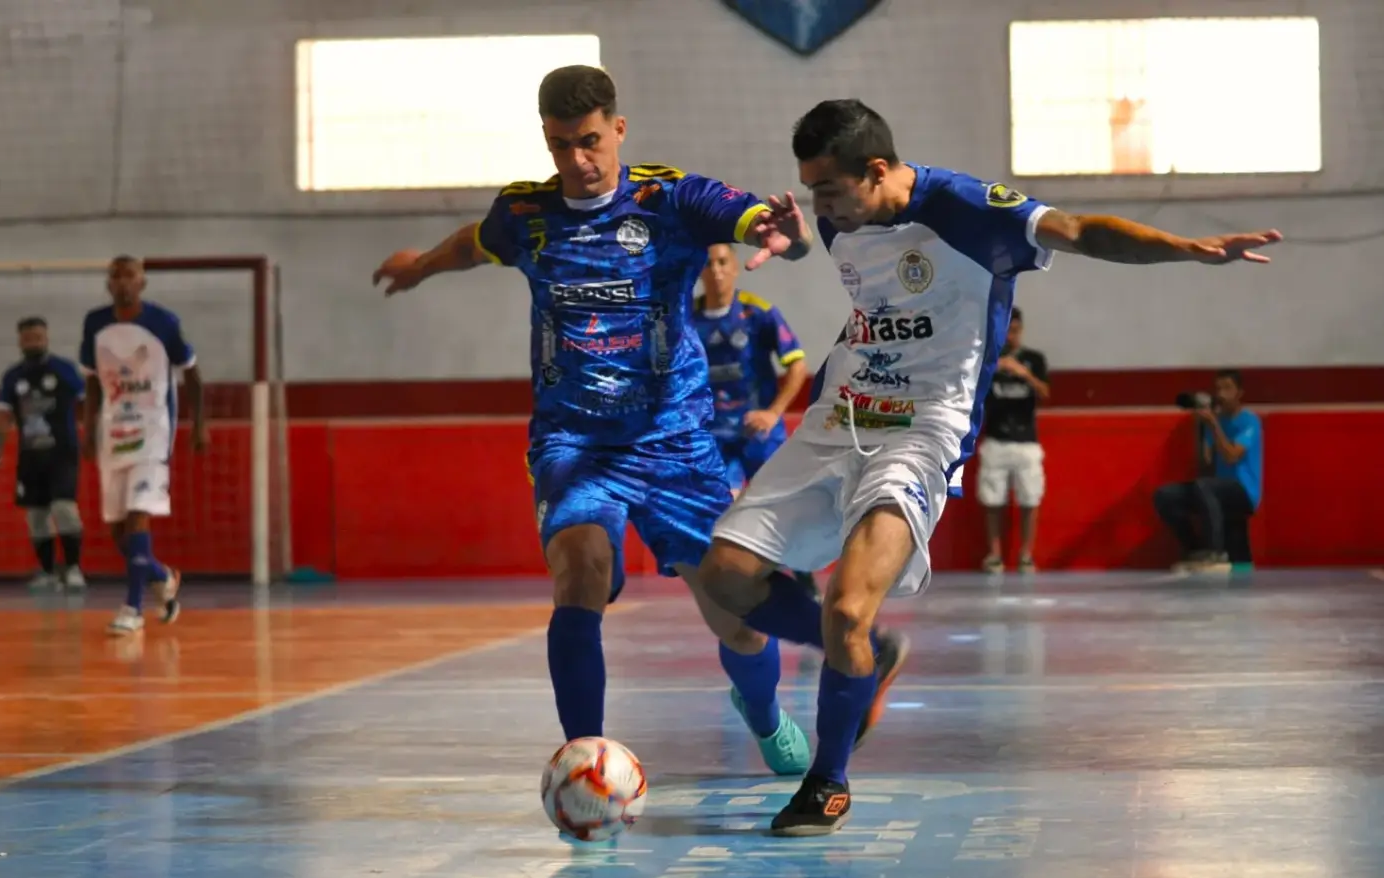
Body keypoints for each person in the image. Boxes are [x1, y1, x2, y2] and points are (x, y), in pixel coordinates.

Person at [699, 99, 1282, 835]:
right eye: (811, 190)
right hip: (837, 416)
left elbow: (1077, 230)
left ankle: (827, 781)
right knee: (723, 577)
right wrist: (793, 243)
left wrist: (1186, 248)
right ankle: (870, 658)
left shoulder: (966, 209)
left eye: (829, 190)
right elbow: (836, 257)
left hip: (920, 430)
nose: (822, 206)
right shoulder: (842, 215)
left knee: (847, 606)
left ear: (877, 172)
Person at [372, 65, 878, 782]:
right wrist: (420, 267)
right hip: (573, 443)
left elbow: (760, 225)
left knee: (735, 611)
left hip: (674, 443)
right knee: (579, 573)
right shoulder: (526, 215)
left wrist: (790, 238)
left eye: (588, 142)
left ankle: (764, 715)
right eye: (558, 146)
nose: (576, 162)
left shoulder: (669, 199)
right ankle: (585, 759)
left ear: (618, 129)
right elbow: (474, 244)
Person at [80, 256, 207, 634]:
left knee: (138, 514)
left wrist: (200, 424)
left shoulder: (163, 322)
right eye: (116, 276)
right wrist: (88, 429)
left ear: (142, 283)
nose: (123, 283)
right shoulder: (95, 323)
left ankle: (132, 609)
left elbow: (193, 376)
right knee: (119, 531)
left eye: (130, 276)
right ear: (108, 284)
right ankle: (160, 575)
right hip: (112, 432)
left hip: (152, 432)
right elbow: (90, 382)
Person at [693, 242, 819, 598]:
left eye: (722, 262)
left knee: (780, 509)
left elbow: (797, 364)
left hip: (759, 435)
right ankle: (753, 584)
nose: (715, 270)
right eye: (708, 264)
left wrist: (773, 412)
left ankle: (805, 580)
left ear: (734, 267)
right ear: (699, 272)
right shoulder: (686, 319)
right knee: (725, 512)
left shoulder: (757, 313)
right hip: (713, 438)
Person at [0, 317, 87, 590]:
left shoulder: (64, 370)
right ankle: (47, 572)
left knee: (64, 508)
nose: (33, 342)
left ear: (46, 338)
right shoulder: (13, 376)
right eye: (28, 338)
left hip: (63, 453)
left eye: (38, 337)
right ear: (20, 341)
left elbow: (86, 403)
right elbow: (2, 414)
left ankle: (73, 569)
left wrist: (92, 436)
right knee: (35, 516)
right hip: (30, 457)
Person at [1153, 369, 1263, 572]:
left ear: (1240, 393)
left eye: (1228, 388)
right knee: (1165, 495)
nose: (1222, 394)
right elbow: (1206, 463)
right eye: (1218, 388)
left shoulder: (1250, 421)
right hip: (1216, 490)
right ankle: (1195, 550)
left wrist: (1214, 425)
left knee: (1205, 486)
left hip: (1244, 492)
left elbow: (1231, 456)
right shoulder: (1217, 421)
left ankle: (1216, 552)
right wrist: (1201, 425)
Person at [977, 305, 1050, 573]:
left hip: (1026, 440)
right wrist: (995, 366)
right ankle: (994, 554)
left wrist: (1025, 375)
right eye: (1008, 331)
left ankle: (1026, 554)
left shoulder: (1034, 359)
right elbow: (970, 389)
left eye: (1016, 331)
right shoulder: (986, 358)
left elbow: (1045, 392)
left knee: (1030, 498)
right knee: (992, 499)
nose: (1012, 337)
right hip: (995, 438)